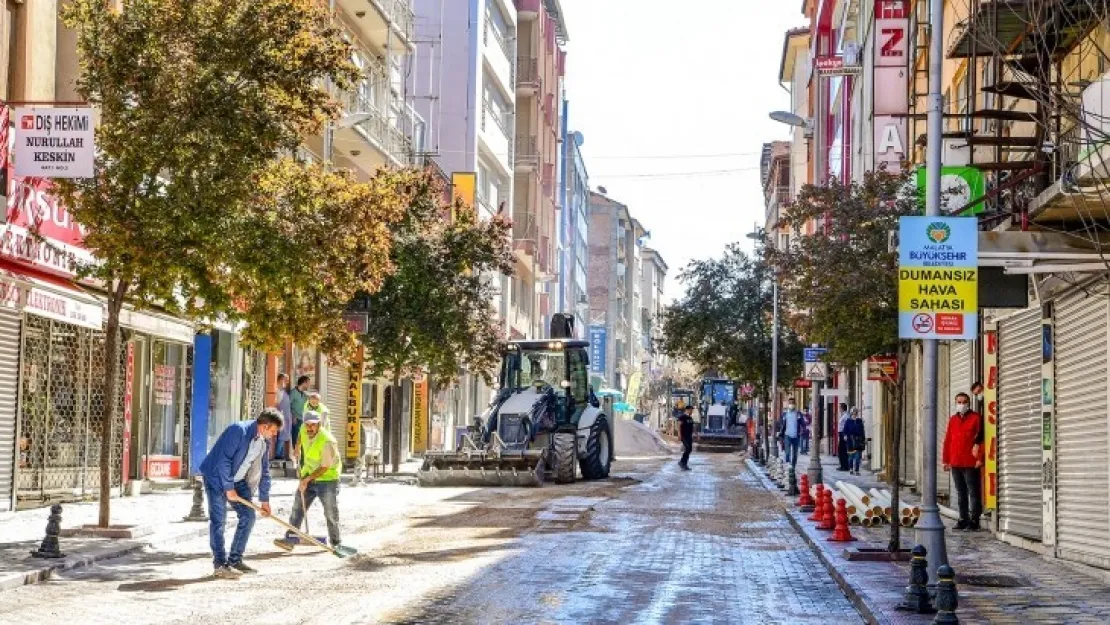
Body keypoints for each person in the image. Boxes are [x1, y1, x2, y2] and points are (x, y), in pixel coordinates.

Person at [199, 408, 282, 579]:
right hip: (216, 478)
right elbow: (223, 460)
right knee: (219, 521)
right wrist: (228, 488)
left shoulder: (263, 443)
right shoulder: (238, 430)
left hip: (238, 480)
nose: (274, 435)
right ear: (265, 426)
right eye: (273, 431)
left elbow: (264, 471)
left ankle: (235, 560)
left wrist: (265, 499)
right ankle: (220, 564)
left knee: (249, 516)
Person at [275, 410, 345, 550]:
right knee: (298, 508)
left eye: (312, 425)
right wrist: (297, 449)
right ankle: (290, 538)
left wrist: (307, 480)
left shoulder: (327, 441)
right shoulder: (304, 428)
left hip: (328, 479)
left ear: (319, 425)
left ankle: (336, 543)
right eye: (307, 425)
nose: (309, 428)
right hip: (308, 474)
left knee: (330, 512)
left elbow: (325, 467)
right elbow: (300, 435)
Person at [943, 392, 984, 531]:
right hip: (956, 462)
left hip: (971, 462)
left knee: (973, 492)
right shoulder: (953, 420)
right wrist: (946, 460)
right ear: (955, 403)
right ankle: (962, 519)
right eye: (959, 402)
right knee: (961, 492)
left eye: (964, 402)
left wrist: (980, 458)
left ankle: (974, 520)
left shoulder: (976, 418)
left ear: (969, 403)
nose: (962, 405)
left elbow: (981, 439)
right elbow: (948, 440)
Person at [272, 373, 293, 461]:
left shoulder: (283, 391)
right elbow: (276, 404)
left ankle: (280, 453)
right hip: (281, 416)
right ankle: (277, 453)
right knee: (282, 434)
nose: (287, 382)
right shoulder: (277, 391)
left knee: (284, 434)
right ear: (280, 380)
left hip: (286, 416)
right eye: (285, 379)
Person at [779, 398, 802, 468]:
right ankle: (788, 467)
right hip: (787, 435)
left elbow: (802, 423)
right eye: (790, 403)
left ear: (795, 404)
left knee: (795, 454)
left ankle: (793, 467)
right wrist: (780, 432)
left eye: (793, 403)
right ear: (788, 404)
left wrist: (802, 430)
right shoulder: (784, 414)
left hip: (796, 436)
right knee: (787, 452)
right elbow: (781, 423)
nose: (791, 405)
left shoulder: (798, 414)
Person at [290, 375, 310, 446]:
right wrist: (293, 416)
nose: (308, 385)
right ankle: (296, 455)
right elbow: (288, 405)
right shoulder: (293, 392)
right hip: (296, 419)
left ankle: (301, 456)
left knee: (302, 438)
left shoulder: (304, 395)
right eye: (308, 383)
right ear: (304, 383)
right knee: (296, 438)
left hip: (302, 419)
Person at [845, 407, 866, 475]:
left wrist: (863, 439)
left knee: (857, 457)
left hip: (858, 440)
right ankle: (851, 469)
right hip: (850, 441)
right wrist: (845, 436)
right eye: (853, 413)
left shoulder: (859, 420)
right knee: (851, 457)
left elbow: (862, 430)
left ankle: (857, 470)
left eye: (855, 413)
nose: (854, 414)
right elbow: (845, 430)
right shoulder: (848, 421)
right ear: (851, 413)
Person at [677, 404, 695, 470]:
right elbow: (679, 425)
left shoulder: (690, 418)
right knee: (687, 448)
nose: (692, 411)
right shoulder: (682, 416)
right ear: (687, 410)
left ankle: (684, 464)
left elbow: (693, 427)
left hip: (689, 435)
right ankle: (682, 462)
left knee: (689, 449)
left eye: (692, 410)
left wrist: (696, 434)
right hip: (684, 435)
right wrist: (679, 434)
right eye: (691, 410)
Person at [837, 403, 851, 471]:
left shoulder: (846, 416)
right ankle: (842, 465)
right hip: (841, 434)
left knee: (843, 450)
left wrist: (845, 434)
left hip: (844, 434)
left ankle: (845, 466)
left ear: (842, 408)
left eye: (840, 407)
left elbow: (847, 426)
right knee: (841, 450)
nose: (839, 409)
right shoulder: (843, 415)